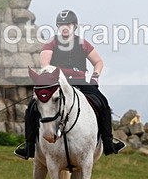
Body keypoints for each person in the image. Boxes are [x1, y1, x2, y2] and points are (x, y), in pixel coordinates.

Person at [15, 9, 126, 159]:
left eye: (68, 24)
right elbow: (45, 63)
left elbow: (98, 62)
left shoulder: (83, 43)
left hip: (80, 81)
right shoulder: (51, 43)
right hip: (58, 82)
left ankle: (108, 141)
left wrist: (95, 77)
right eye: (61, 25)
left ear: (74, 26)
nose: (65, 27)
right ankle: (29, 146)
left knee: (103, 102)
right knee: (32, 107)